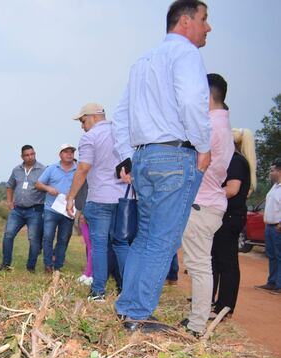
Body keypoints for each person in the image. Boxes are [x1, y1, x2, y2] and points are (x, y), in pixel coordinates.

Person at [112, 0, 213, 332]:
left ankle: (128, 306)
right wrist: (203, 146)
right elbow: (191, 101)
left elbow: (121, 116)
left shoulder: (142, 61)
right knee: (163, 240)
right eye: (204, 19)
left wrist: (127, 155)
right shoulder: (185, 54)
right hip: (175, 154)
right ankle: (138, 316)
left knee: (145, 237)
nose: (207, 27)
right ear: (185, 22)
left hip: (144, 156)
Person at [180, 73, 233, 336]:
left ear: (206, 95)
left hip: (201, 205)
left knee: (200, 266)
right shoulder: (223, 125)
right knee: (202, 264)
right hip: (212, 203)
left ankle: (197, 324)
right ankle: (196, 319)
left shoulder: (208, 126)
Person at [66, 103, 129, 301]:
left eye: (83, 121)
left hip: (101, 197)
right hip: (125, 198)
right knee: (121, 244)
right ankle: (126, 290)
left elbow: (83, 168)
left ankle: (98, 291)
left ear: (93, 117)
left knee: (99, 245)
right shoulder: (123, 133)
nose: (82, 126)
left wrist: (71, 197)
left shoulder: (90, 137)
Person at [211, 128, 257, 313]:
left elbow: (232, 189)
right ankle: (217, 301)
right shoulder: (236, 160)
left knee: (227, 262)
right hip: (228, 216)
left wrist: (210, 195)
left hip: (230, 217)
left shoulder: (236, 161)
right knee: (218, 259)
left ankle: (226, 305)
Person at [0, 145, 46, 272]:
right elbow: (9, 186)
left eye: (32, 154)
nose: (30, 157)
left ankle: (30, 267)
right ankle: (6, 263)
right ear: (22, 156)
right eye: (27, 155)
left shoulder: (43, 169)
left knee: (33, 239)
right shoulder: (16, 170)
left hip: (35, 210)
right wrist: (9, 201)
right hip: (17, 210)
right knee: (8, 235)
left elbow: (48, 187)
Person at [36, 144, 77, 273]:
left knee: (63, 239)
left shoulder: (78, 170)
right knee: (48, 237)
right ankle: (48, 265)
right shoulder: (52, 168)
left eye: (71, 152)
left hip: (68, 210)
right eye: (66, 152)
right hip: (51, 209)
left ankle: (58, 266)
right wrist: (48, 188)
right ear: (60, 154)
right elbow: (38, 184)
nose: (69, 154)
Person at [256, 159, 281, 294]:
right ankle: (271, 282)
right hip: (269, 227)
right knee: (271, 255)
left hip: (278, 227)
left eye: (272, 170)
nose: (270, 173)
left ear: (279, 171)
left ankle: (279, 284)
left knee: (279, 256)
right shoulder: (274, 187)